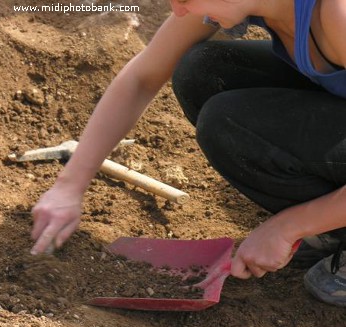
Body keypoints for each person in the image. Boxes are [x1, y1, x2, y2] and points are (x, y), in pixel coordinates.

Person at [30, 0, 346, 307]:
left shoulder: (336, 16)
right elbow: (142, 78)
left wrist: (290, 226)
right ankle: (331, 227)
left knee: (227, 122)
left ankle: (326, 222)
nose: (177, 10)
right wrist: (69, 186)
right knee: (203, 71)